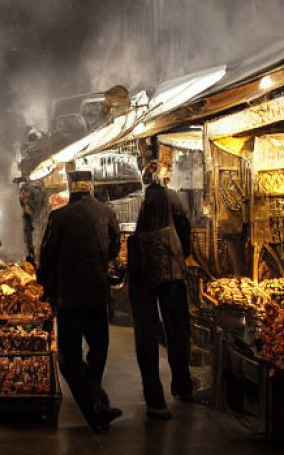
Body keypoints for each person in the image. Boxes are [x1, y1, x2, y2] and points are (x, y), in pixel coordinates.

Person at [38, 172, 122, 434]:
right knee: (99, 348)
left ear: (71, 192)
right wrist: (97, 263)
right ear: (91, 190)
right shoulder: (106, 213)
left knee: (69, 357)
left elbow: (47, 254)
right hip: (97, 292)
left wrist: (45, 286)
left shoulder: (59, 216)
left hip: (69, 296)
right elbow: (115, 246)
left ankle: (94, 401)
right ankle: (96, 400)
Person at [128, 164, 194, 419]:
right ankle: (183, 386)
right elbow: (185, 231)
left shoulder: (145, 202)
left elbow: (138, 234)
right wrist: (179, 255)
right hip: (171, 270)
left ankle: (155, 399)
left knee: (146, 334)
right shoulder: (173, 198)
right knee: (177, 328)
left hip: (143, 271)